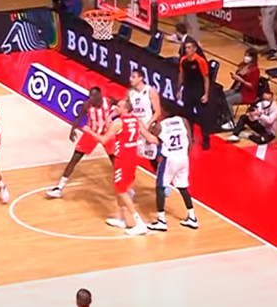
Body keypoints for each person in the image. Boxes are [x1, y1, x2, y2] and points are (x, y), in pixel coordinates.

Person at [82, 98, 157, 235]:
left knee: (120, 189)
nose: (116, 107)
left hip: (122, 159)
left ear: (126, 109)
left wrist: (89, 131)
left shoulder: (118, 123)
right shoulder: (137, 121)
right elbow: (150, 138)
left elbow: (104, 140)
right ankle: (122, 218)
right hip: (133, 158)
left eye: (119, 106)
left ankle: (139, 223)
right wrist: (161, 142)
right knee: (124, 188)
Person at [46, 87, 116, 199]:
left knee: (116, 161)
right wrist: (73, 129)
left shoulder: (109, 101)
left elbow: (121, 107)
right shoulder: (86, 105)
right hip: (91, 133)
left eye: (93, 96)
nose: (91, 98)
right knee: (74, 159)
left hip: (107, 133)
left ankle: (126, 189)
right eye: (90, 96)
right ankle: (59, 188)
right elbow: (78, 118)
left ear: (99, 95)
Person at [147, 102, 198, 231]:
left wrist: (151, 122)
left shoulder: (161, 125)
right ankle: (192, 217)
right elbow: (190, 140)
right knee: (183, 187)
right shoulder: (183, 121)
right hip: (183, 157)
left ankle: (161, 220)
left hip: (170, 159)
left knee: (160, 187)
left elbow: (149, 135)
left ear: (164, 111)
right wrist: (185, 154)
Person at [177, 39, 212, 151]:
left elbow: (206, 79)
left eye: (189, 48)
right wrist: (179, 89)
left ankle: (206, 139)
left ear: (194, 49)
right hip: (187, 91)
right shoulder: (183, 60)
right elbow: (181, 75)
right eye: (186, 48)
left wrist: (206, 94)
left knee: (202, 117)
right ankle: (190, 137)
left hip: (198, 91)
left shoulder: (200, 61)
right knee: (188, 116)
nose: (187, 50)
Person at [129, 69, 161, 170]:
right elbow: (128, 110)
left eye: (133, 77)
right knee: (131, 153)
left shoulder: (150, 91)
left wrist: (148, 124)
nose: (130, 79)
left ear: (141, 78)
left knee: (152, 156)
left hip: (148, 127)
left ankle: (160, 174)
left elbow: (158, 112)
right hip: (136, 127)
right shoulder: (131, 93)